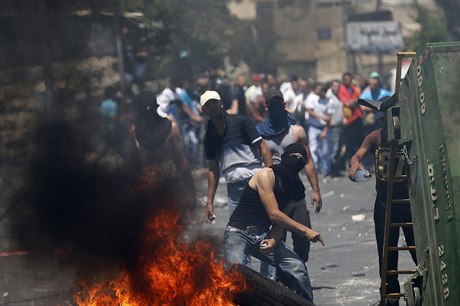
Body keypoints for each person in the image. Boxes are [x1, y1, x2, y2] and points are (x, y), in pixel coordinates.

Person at [224, 143, 325, 303]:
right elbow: (274, 214)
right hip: (239, 233)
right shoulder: (266, 174)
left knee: (297, 266)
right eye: (294, 157)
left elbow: (280, 222)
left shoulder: (294, 188)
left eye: (301, 159)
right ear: (285, 157)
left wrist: (274, 239)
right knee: (235, 278)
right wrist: (306, 230)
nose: (297, 161)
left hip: (263, 236)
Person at [348, 128, 417, 306]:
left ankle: (424, 284)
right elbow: (357, 156)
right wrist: (355, 164)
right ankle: (391, 296)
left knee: (417, 247)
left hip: (409, 202)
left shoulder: (412, 132)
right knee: (386, 252)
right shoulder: (375, 137)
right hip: (385, 203)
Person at [257, 87, 322, 263]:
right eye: (273, 105)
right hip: (272, 191)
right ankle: (280, 279)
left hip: (294, 191)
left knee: (303, 235)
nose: (277, 108)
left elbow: (308, 162)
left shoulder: (296, 132)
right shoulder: (259, 135)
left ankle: (299, 268)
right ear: (267, 107)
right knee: (274, 239)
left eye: (279, 104)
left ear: (285, 105)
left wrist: (316, 190)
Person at [201, 90, 272, 221]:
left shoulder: (241, 122)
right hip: (234, 188)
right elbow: (213, 169)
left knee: (263, 228)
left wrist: (270, 177)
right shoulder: (209, 137)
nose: (212, 106)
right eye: (208, 104)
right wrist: (210, 202)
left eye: (214, 103)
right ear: (203, 109)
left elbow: (263, 148)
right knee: (237, 231)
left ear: (221, 104)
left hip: (255, 181)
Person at [134, 91, 196, 213]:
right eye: (144, 107)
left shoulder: (171, 128)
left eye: (149, 106)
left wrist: (191, 191)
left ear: (155, 107)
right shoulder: (134, 132)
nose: (147, 110)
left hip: (171, 186)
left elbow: (182, 160)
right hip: (148, 190)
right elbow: (133, 165)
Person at [338, 72, 363, 165]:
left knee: (360, 141)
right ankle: (350, 162)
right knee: (349, 143)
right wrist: (355, 101)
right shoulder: (342, 89)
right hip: (349, 119)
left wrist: (354, 101)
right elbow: (347, 103)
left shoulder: (353, 89)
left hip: (357, 117)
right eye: (345, 79)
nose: (347, 81)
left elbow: (359, 98)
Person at [360, 72, 393, 136]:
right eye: (373, 80)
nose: (374, 82)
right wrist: (375, 107)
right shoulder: (366, 94)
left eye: (376, 80)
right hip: (371, 118)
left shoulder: (384, 93)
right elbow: (362, 107)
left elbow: (393, 98)